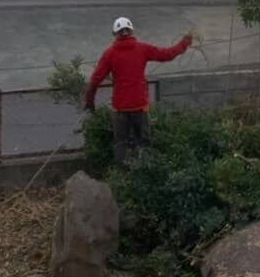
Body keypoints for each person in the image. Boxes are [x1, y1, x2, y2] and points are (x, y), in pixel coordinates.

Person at [82, 16, 192, 168]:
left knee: (120, 144)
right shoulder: (142, 49)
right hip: (140, 106)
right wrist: (184, 43)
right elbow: (167, 54)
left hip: (120, 108)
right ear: (131, 31)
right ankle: (142, 176)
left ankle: (122, 178)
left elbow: (95, 80)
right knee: (143, 143)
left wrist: (89, 102)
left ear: (115, 34)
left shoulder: (109, 54)